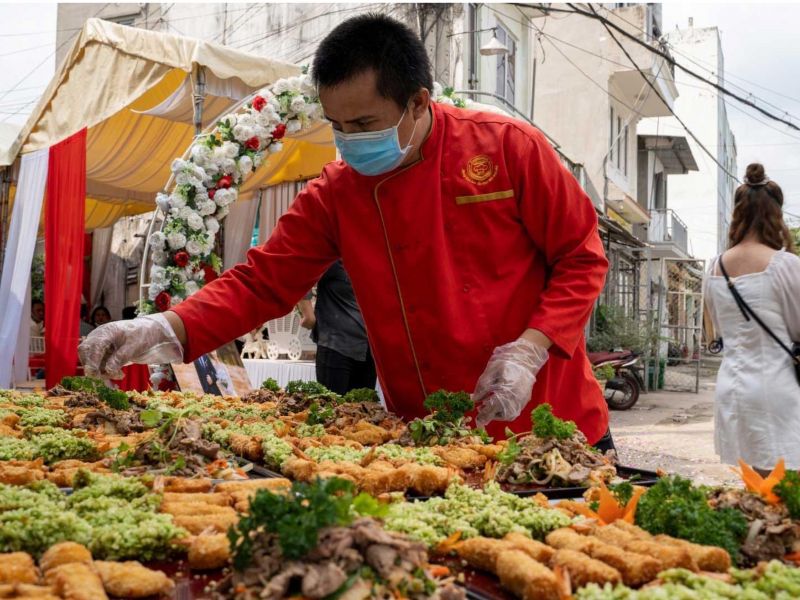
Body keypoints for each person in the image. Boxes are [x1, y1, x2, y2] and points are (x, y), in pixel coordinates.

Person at [78, 14, 609, 444]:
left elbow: (582, 258)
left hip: (549, 425)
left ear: (419, 102)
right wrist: (165, 328)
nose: (348, 140)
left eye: (363, 125)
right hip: (425, 439)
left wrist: (530, 349)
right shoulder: (337, 192)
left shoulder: (507, 147)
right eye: (336, 125)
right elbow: (262, 283)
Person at [704, 163, 800, 474]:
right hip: (778, 388)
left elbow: (715, 331)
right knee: (788, 496)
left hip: (732, 389)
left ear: (738, 214)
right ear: (776, 215)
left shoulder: (715, 267)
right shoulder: (786, 265)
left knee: (757, 491)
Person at [298, 260, 376, 395]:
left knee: (365, 410)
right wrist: (307, 314)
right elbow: (299, 274)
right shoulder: (335, 258)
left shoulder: (374, 258)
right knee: (332, 409)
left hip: (369, 349)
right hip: (336, 346)